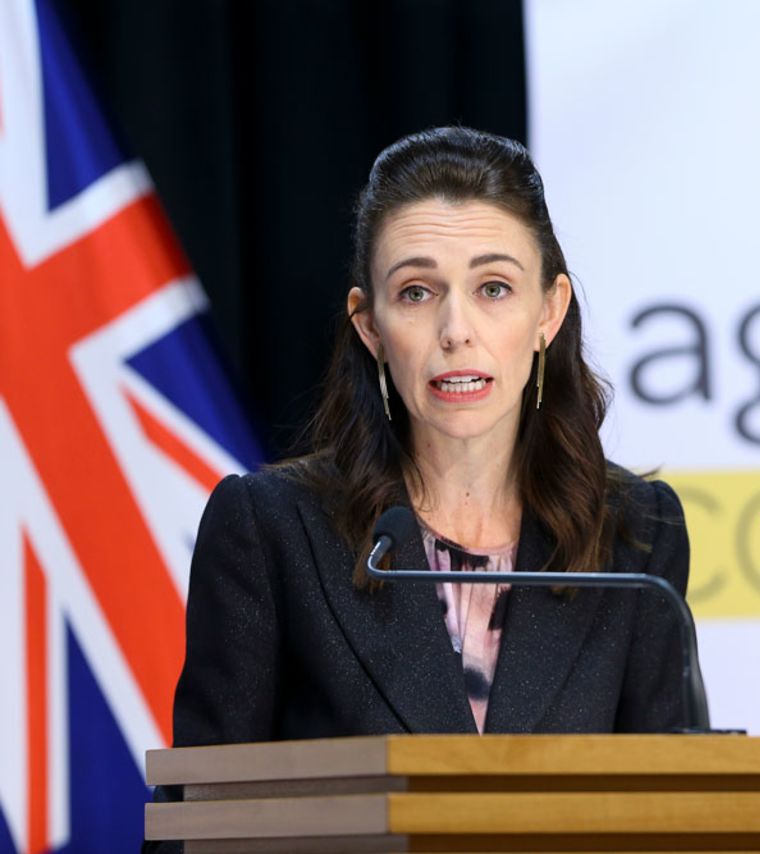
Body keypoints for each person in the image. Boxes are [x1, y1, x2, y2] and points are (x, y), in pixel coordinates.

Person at [169, 126, 691, 754]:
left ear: (548, 313)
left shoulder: (637, 534)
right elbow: (199, 814)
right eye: (417, 293)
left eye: (492, 288)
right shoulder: (272, 529)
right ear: (371, 327)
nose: (455, 330)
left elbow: (670, 799)